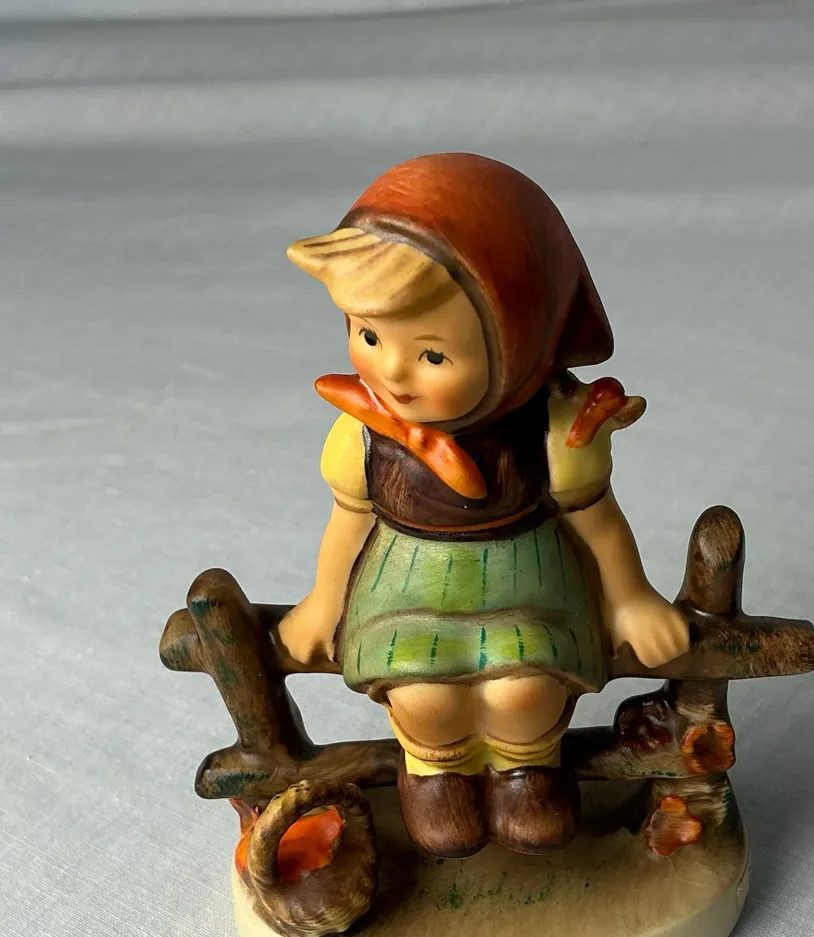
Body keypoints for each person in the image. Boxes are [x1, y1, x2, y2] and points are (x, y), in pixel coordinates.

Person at [277, 153, 689, 858]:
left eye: (433, 355)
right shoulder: (362, 436)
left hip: (526, 579)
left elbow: (596, 524)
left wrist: (629, 600)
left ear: (518, 343)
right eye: (369, 336)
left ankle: (527, 771)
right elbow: (349, 523)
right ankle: (435, 776)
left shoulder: (552, 433)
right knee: (422, 695)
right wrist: (323, 604)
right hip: (406, 584)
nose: (392, 372)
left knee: (524, 690)